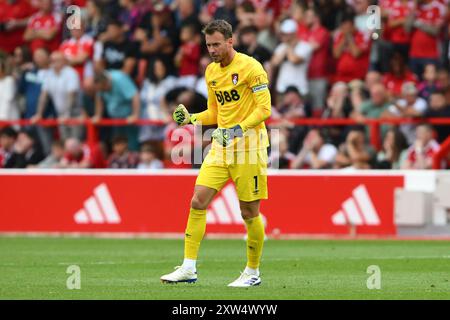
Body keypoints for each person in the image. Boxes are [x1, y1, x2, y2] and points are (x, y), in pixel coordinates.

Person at [161, 20, 271, 287]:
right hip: (222, 147)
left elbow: (264, 110)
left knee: (249, 212)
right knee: (198, 201)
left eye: (217, 44)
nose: (212, 50)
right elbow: (214, 112)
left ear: (230, 41)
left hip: (249, 148)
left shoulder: (251, 67)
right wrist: (190, 118)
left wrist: (235, 130)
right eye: (208, 45)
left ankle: (253, 273)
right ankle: (188, 268)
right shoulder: (210, 71)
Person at [271, 18, 312, 99]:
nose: (282, 36)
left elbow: (294, 60)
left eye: (285, 34)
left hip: (300, 89)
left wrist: (288, 47)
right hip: (282, 88)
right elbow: (274, 63)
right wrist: (286, 47)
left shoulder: (305, 46)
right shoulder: (281, 46)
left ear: (293, 34)